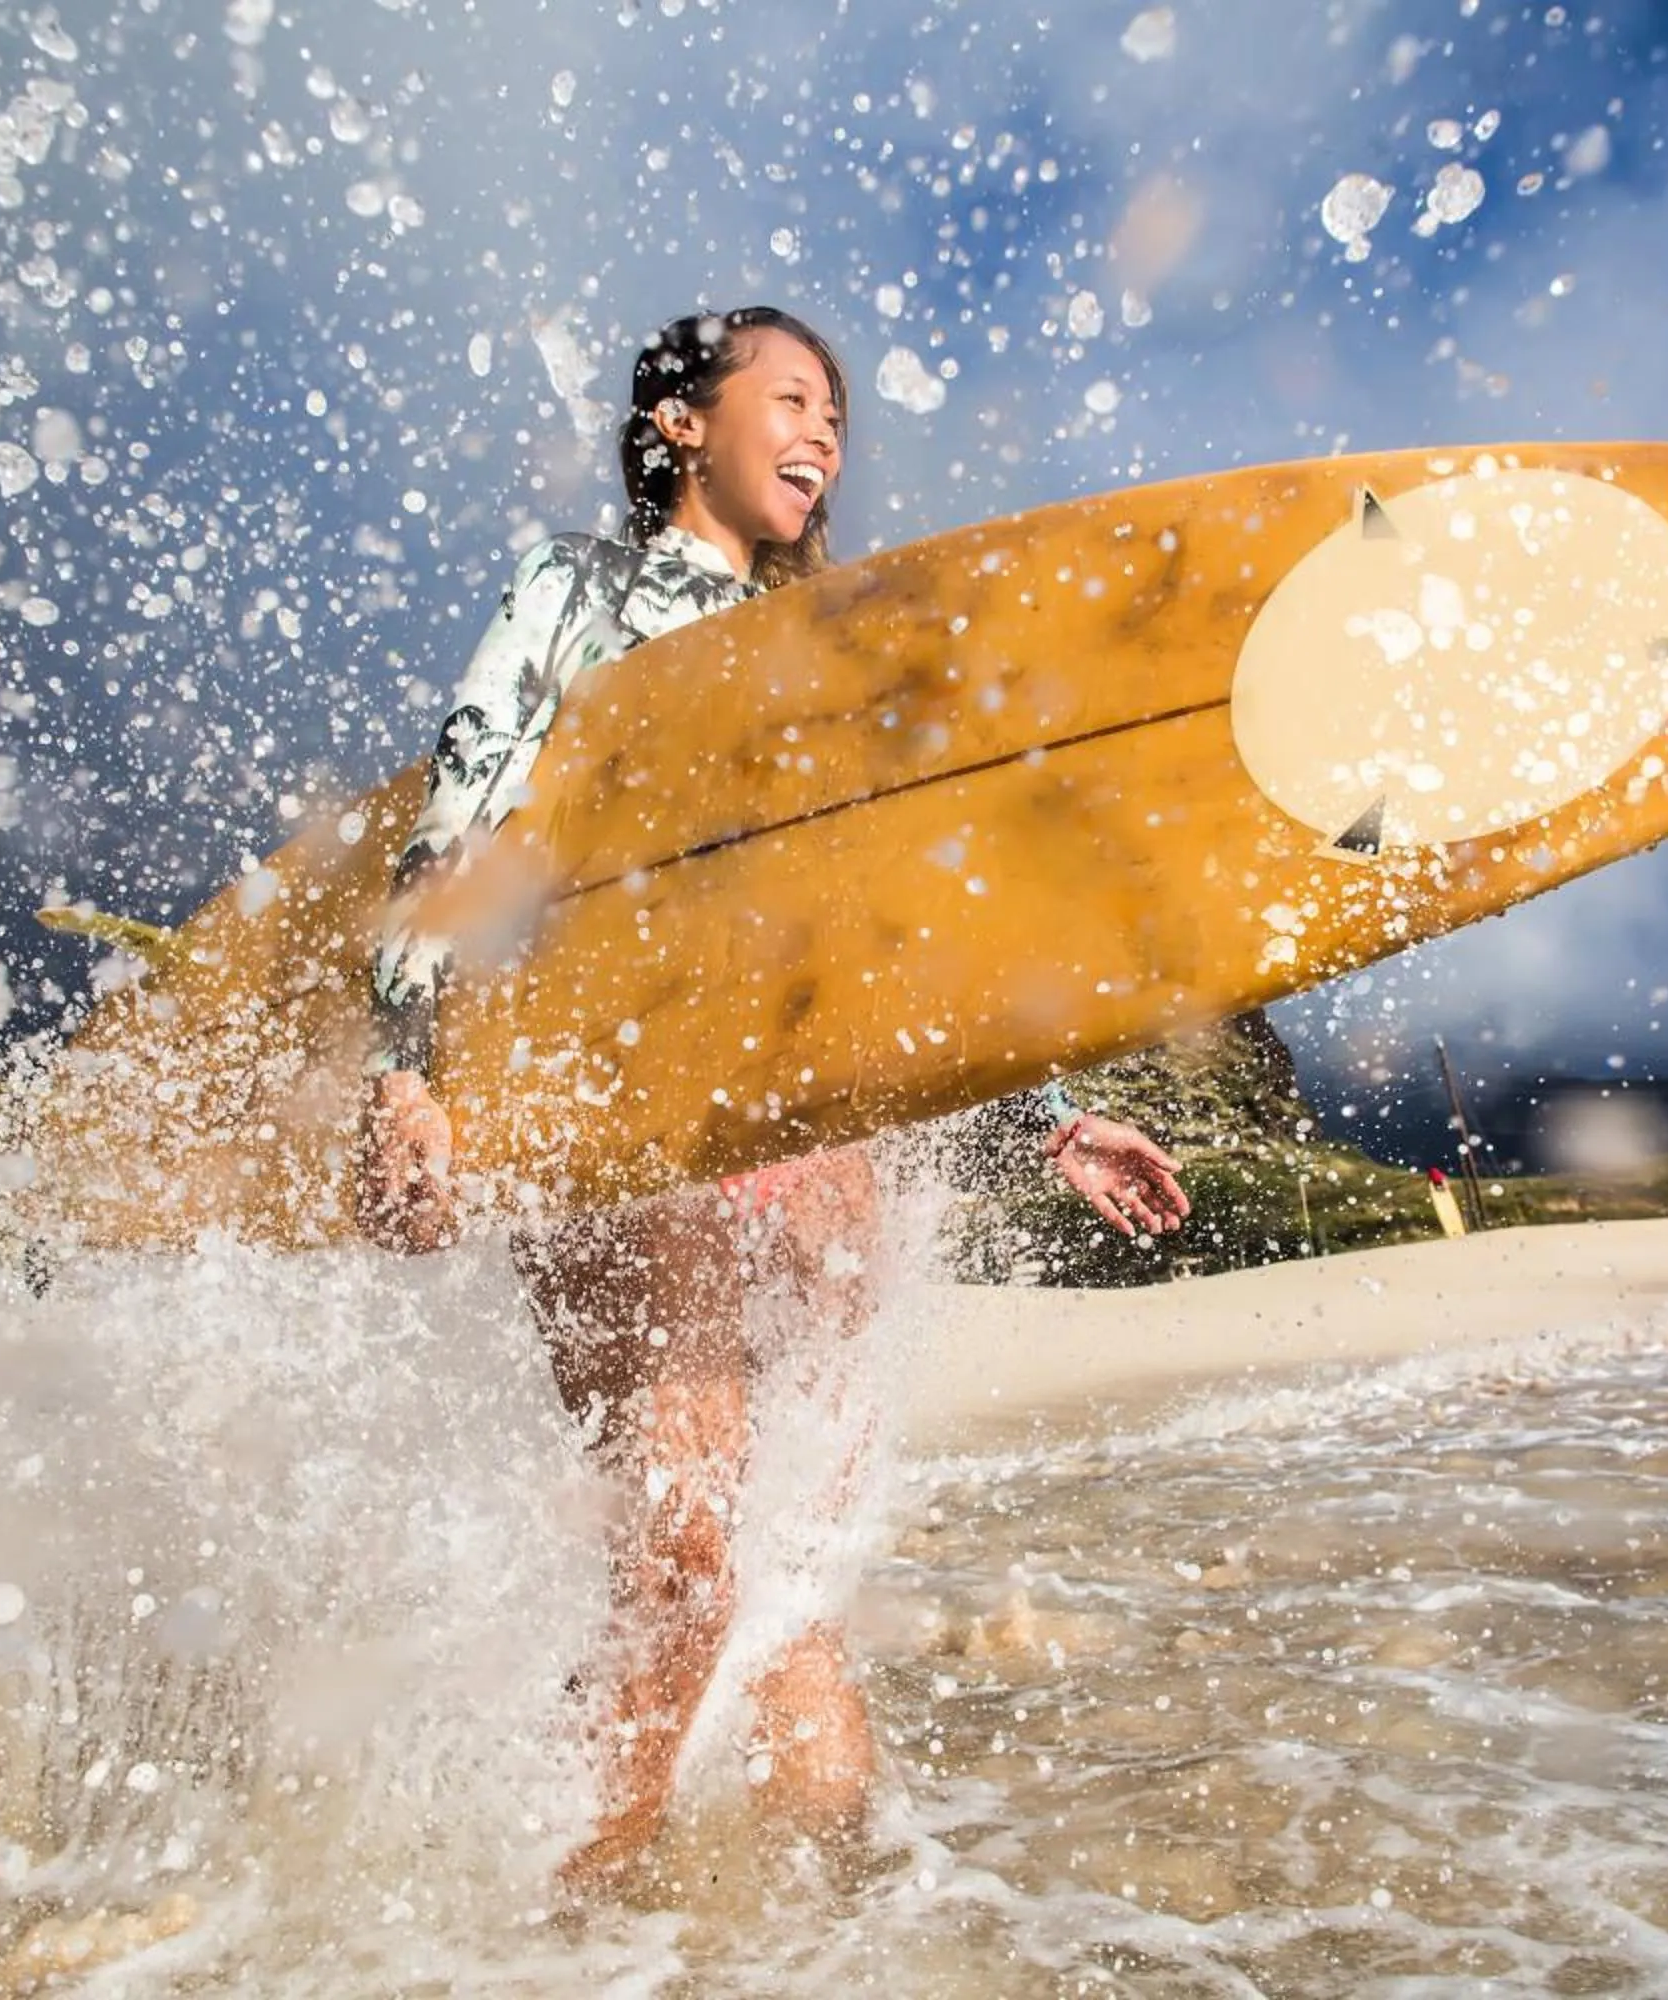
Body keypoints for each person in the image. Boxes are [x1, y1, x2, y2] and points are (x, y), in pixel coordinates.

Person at [356, 307, 1193, 1892]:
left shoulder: (838, 641)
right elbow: (461, 821)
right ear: (683, 423)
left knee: (793, 1576)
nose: (823, 432)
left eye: (840, 414)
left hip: (817, 1130)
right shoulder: (580, 590)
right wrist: (412, 1066)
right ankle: (545, 1931)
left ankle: (839, 1938)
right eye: (791, 398)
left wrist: (1052, 1112)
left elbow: (899, 925)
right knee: (680, 1564)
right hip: (629, 1116)